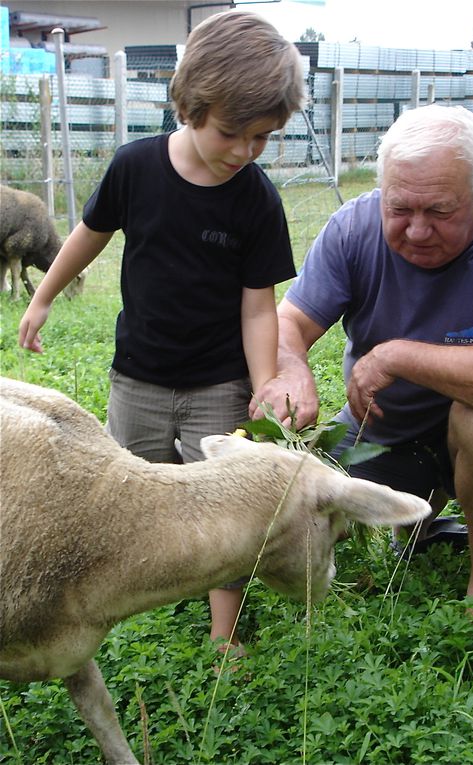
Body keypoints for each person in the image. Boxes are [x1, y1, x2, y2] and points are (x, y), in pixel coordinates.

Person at [19, 10, 305, 661]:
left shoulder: (255, 199)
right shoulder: (134, 168)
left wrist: (264, 387)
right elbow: (87, 238)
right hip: (138, 376)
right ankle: (133, 595)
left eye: (263, 138)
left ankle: (221, 631)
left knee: (225, 498)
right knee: (135, 488)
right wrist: (41, 298)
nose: (244, 151)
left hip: (218, 380)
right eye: (232, 132)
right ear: (190, 103)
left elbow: (259, 307)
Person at [251, 104, 473, 612]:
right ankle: (418, 514)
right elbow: (288, 325)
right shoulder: (352, 229)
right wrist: (291, 369)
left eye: (439, 211)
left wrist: (396, 356)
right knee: (303, 507)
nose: (417, 230)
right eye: (400, 210)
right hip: (386, 426)